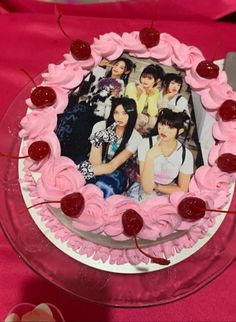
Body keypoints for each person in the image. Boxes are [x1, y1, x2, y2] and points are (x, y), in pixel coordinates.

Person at [55, 57, 134, 164]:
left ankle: (69, 158)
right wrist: (100, 67)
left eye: (121, 68)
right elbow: (89, 87)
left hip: (97, 115)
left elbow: (111, 105)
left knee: (79, 133)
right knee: (69, 125)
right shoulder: (103, 78)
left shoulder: (118, 84)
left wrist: (111, 99)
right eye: (116, 65)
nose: (117, 68)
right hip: (86, 108)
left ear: (126, 72)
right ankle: (60, 154)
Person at [78, 97, 142, 198]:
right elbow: (94, 161)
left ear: (132, 115)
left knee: (103, 188)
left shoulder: (136, 137)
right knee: (81, 183)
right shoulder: (100, 126)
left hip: (118, 169)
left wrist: (83, 171)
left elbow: (112, 165)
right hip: (95, 164)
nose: (120, 117)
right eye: (116, 112)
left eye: (125, 113)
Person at [127, 108, 194, 201]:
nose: (163, 130)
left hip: (168, 194)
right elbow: (147, 189)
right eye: (162, 124)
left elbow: (182, 189)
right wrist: (150, 156)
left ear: (180, 131)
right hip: (143, 190)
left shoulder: (186, 155)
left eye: (170, 127)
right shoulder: (146, 144)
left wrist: (158, 187)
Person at [125, 64, 164, 135]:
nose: (145, 80)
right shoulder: (132, 86)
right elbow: (136, 110)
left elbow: (152, 113)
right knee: (141, 119)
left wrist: (150, 96)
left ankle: (139, 137)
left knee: (153, 121)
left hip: (140, 119)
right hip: (127, 113)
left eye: (149, 78)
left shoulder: (155, 91)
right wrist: (142, 94)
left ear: (156, 81)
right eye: (143, 77)